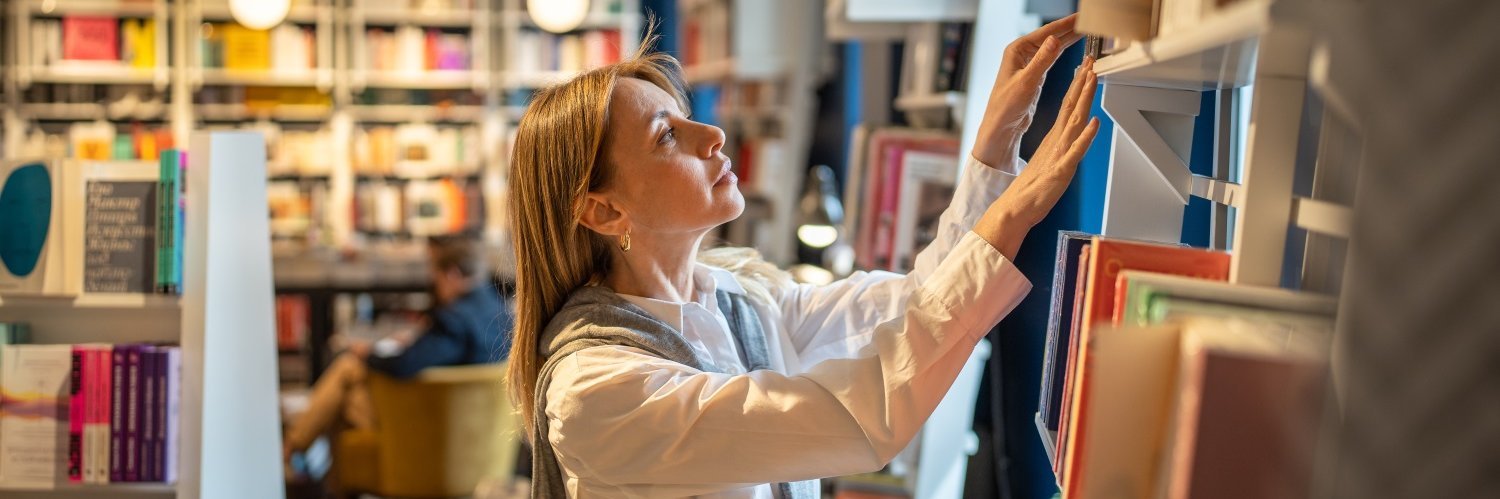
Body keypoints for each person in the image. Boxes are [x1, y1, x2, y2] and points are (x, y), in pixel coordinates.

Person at [508, 15, 1097, 498]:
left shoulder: (743, 300)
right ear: (605, 213)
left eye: (688, 115)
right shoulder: (596, 392)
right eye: (667, 135)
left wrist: (996, 141)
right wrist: (1008, 220)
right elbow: (855, 416)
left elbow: (915, 303)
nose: (711, 134)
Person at [283, 236, 514, 469]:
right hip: (482, 430)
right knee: (345, 390)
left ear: (452, 274)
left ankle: (292, 450)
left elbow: (403, 366)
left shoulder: (453, 320)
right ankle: (297, 451)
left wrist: (367, 354)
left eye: (435, 278)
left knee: (346, 377)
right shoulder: (498, 309)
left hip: (434, 425)